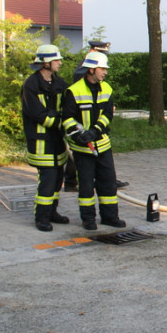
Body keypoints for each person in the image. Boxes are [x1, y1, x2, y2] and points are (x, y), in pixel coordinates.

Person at [61, 51, 126, 230]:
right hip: (83, 149)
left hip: (103, 145)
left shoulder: (107, 88)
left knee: (108, 183)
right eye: (102, 69)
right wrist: (78, 134)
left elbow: (108, 114)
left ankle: (110, 217)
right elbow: (67, 118)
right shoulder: (74, 91)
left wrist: (95, 131)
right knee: (86, 185)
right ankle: (88, 219)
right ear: (91, 70)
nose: (105, 72)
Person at [64, 40, 129, 191]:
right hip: (83, 133)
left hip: (99, 138)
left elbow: (105, 110)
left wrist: (97, 127)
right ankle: (71, 181)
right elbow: (71, 112)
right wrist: (79, 133)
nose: (105, 72)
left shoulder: (104, 84)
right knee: (83, 173)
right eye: (102, 53)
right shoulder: (81, 74)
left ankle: (73, 181)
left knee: (106, 180)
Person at [21, 45, 71, 232]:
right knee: (48, 180)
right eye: (56, 60)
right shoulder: (31, 84)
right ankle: (41, 218)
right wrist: (60, 121)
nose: (60, 63)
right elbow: (36, 113)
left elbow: (68, 104)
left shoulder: (59, 82)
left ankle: (52, 212)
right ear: (46, 63)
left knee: (58, 179)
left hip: (57, 140)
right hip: (41, 142)